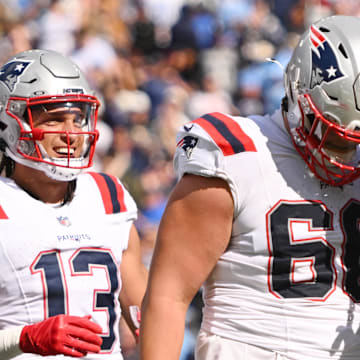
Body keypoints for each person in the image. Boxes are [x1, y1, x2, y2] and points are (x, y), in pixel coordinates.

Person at [140, 15, 360, 360]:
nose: (341, 152)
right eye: (328, 129)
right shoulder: (237, 155)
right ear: (296, 90)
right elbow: (169, 296)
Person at [0, 49, 147, 359]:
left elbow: (145, 316)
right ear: (10, 125)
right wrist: (23, 339)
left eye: (77, 118)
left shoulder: (109, 195)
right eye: (54, 119)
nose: (71, 134)